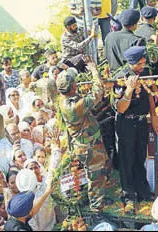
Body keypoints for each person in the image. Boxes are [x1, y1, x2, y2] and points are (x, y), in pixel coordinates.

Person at [113, 46, 158, 214]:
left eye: (144, 62)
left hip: (141, 122)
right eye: (140, 63)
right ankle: (129, 195)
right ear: (132, 63)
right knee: (127, 159)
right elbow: (120, 108)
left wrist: (153, 116)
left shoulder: (145, 72)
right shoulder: (120, 78)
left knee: (140, 156)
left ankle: (143, 190)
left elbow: (149, 94)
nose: (143, 65)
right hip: (126, 123)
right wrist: (129, 89)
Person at [57, 62, 110, 214]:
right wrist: (94, 71)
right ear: (73, 86)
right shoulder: (76, 106)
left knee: (101, 173)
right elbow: (98, 93)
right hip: (89, 148)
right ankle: (96, 210)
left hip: (89, 144)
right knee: (95, 178)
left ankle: (101, 199)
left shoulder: (64, 99)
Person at [24, 159, 56, 231]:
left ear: (39, 167)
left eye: (35, 167)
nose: (34, 171)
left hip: (52, 217)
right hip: (39, 222)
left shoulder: (47, 181)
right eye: (31, 169)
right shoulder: (28, 189)